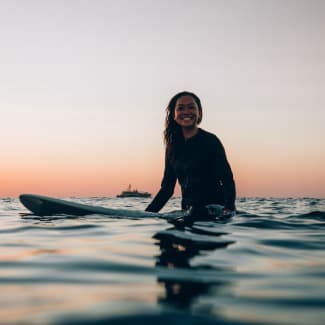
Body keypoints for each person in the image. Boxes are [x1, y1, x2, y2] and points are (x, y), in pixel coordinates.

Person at [145, 91, 236, 221]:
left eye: (191, 107)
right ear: (174, 115)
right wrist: (147, 214)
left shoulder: (210, 141)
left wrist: (229, 209)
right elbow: (167, 189)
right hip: (188, 212)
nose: (186, 112)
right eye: (181, 108)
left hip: (214, 212)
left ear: (199, 112)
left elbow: (227, 178)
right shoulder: (172, 147)